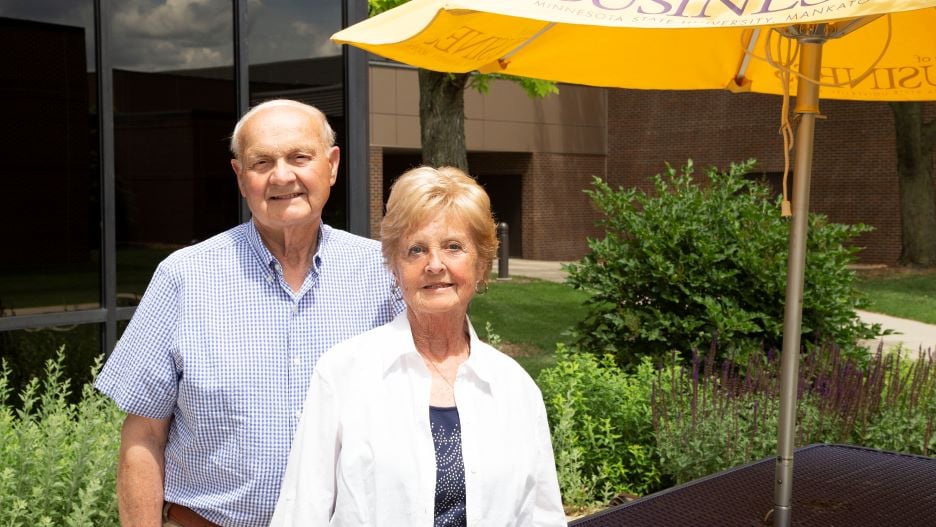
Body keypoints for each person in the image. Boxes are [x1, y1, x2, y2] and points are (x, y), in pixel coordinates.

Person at [95, 99, 405, 527]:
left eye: (299, 157)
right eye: (262, 162)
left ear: (331, 166)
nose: (282, 176)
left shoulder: (384, 275)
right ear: (241, 178)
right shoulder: (184, 278)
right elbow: (144, 434)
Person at [270, 166, 566, 526]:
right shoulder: (344, 373)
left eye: (454, 247)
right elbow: (302, 511)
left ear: (482, 266)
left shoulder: (515, 389)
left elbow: (541, 518)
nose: (435, 265)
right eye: (416, 250)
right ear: (395, 268)